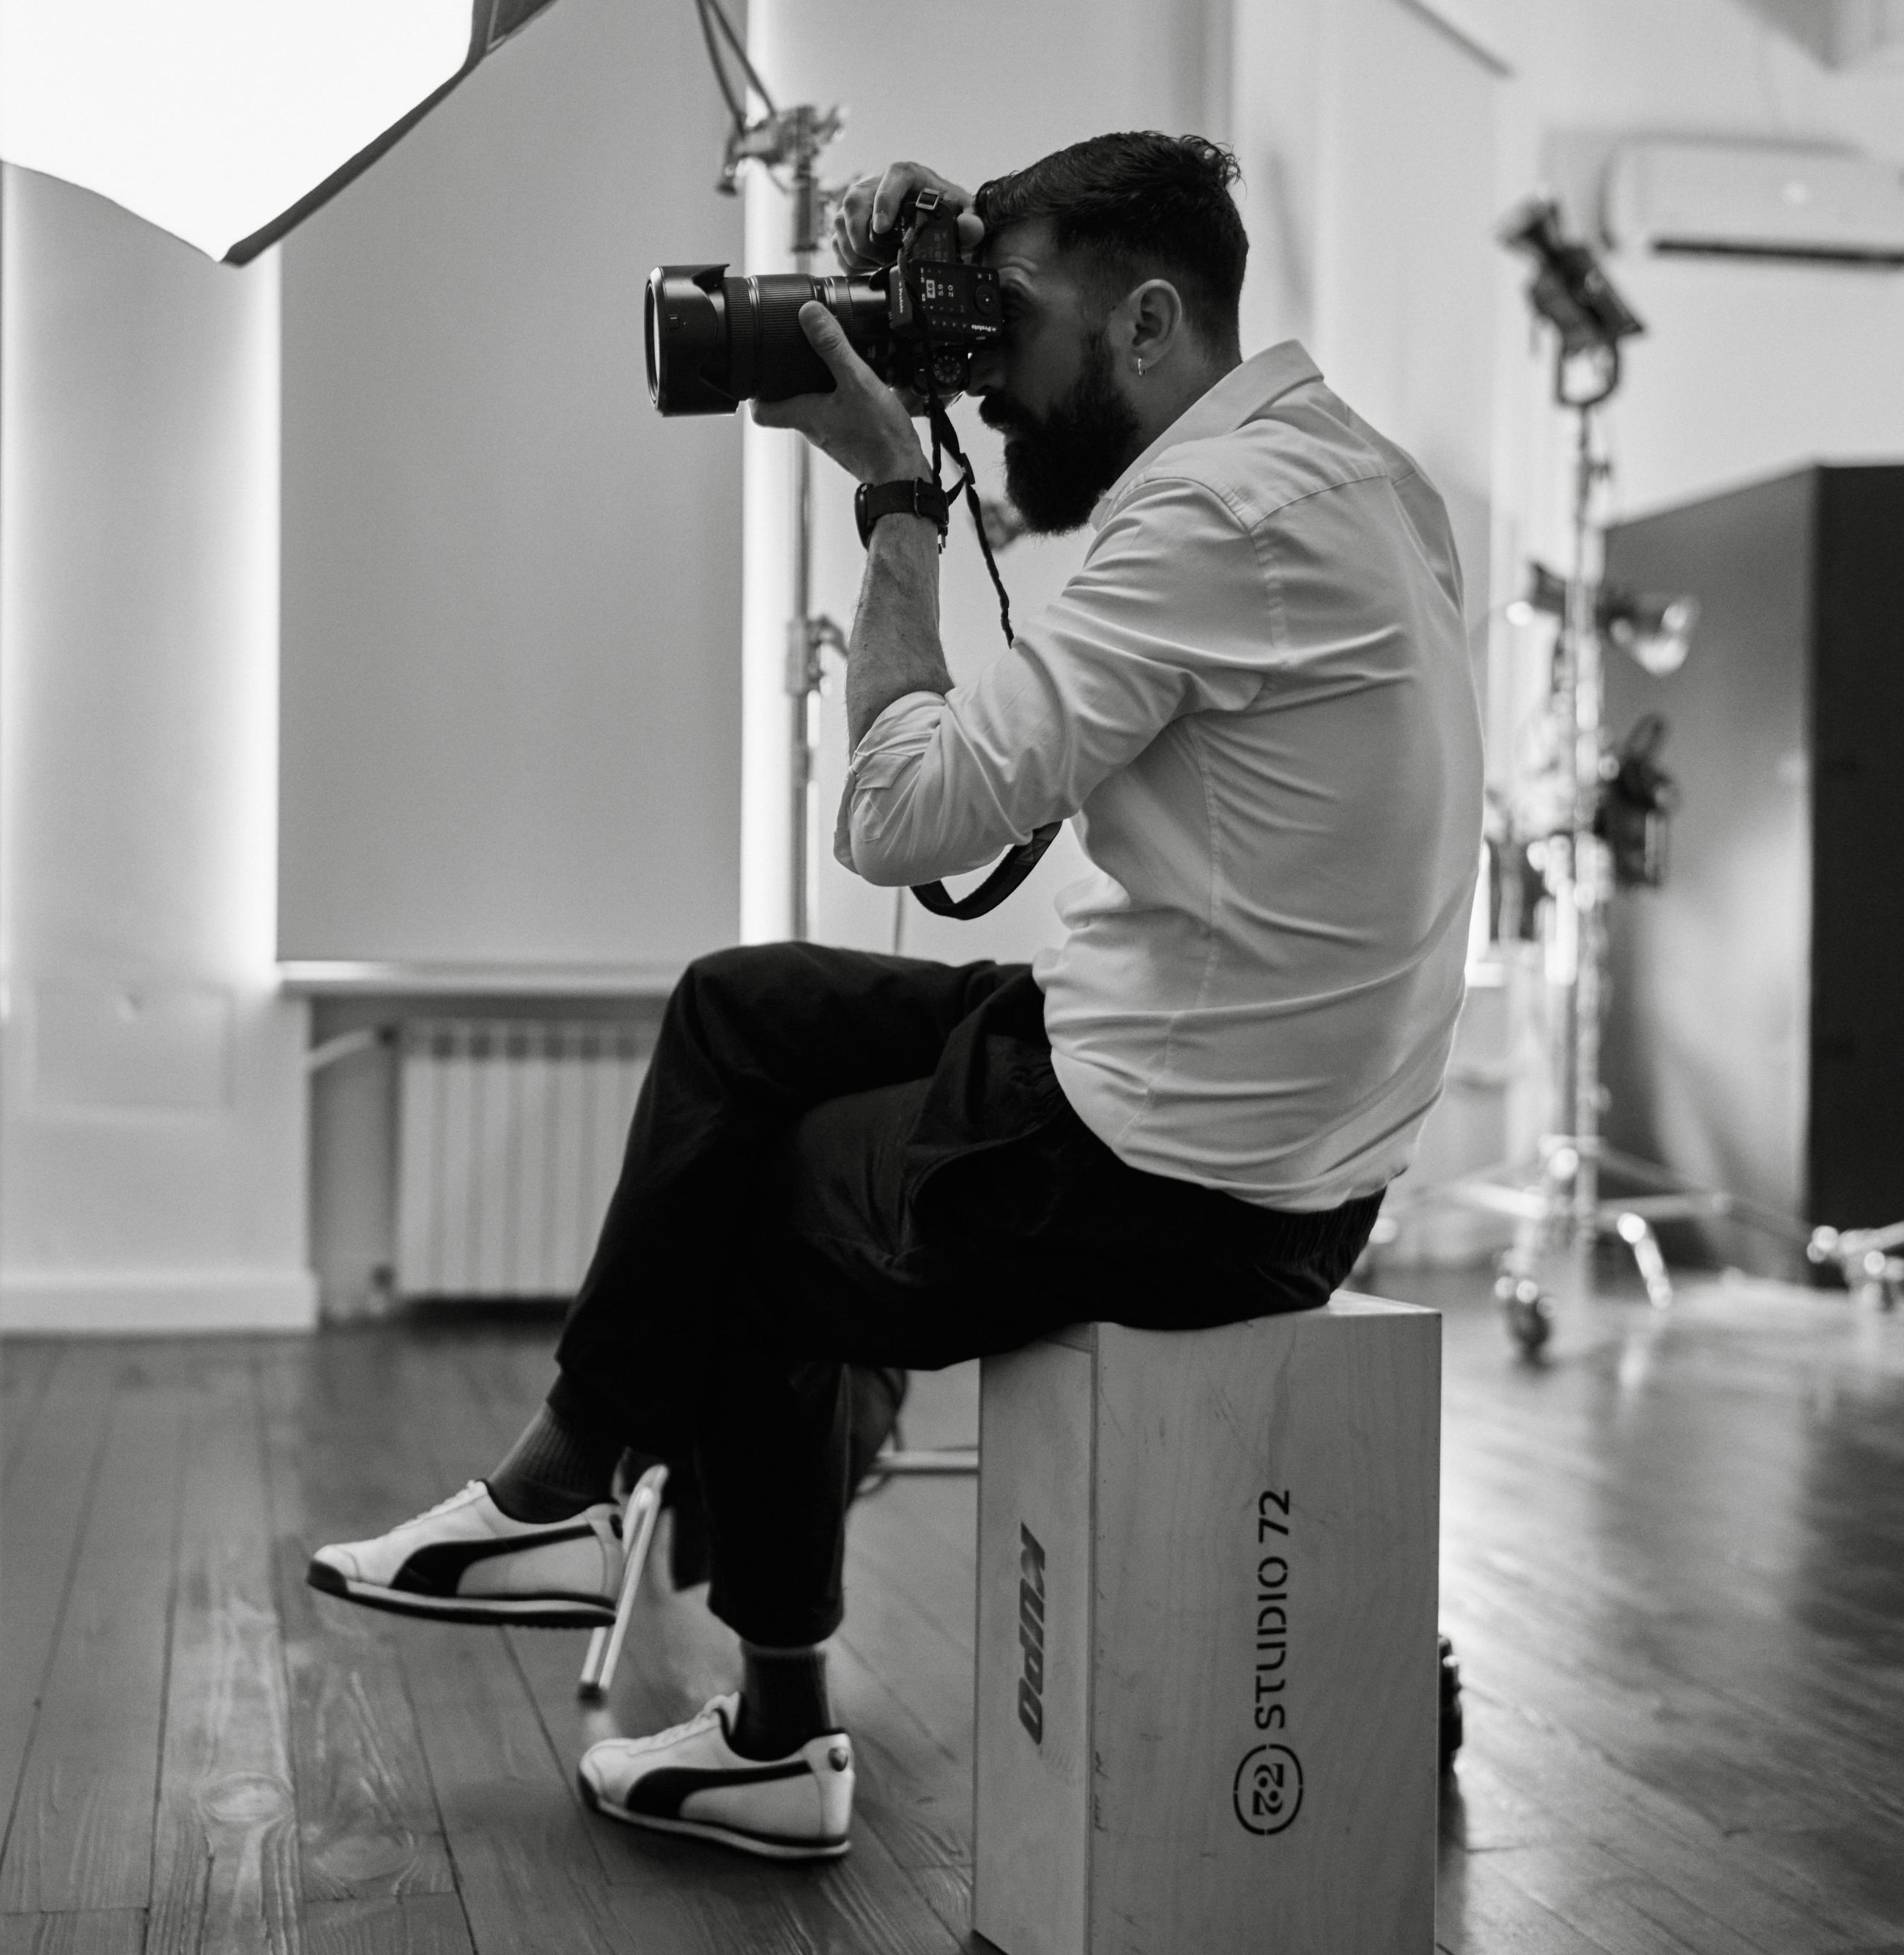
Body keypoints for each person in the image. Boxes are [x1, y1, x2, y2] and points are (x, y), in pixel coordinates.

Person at [311, 131, 1483, 1863]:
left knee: (756, 1199)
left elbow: (895, 814)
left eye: (1013, 318)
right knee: (738, 1009)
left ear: (1148, 321)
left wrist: (890, 503)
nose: (985, 373)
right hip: (1279, 1119)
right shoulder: (1351, 472)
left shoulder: (1211, 520)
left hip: (1178, 1175)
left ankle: (773, 1731)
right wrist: (943, 284)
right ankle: (560, 1482)